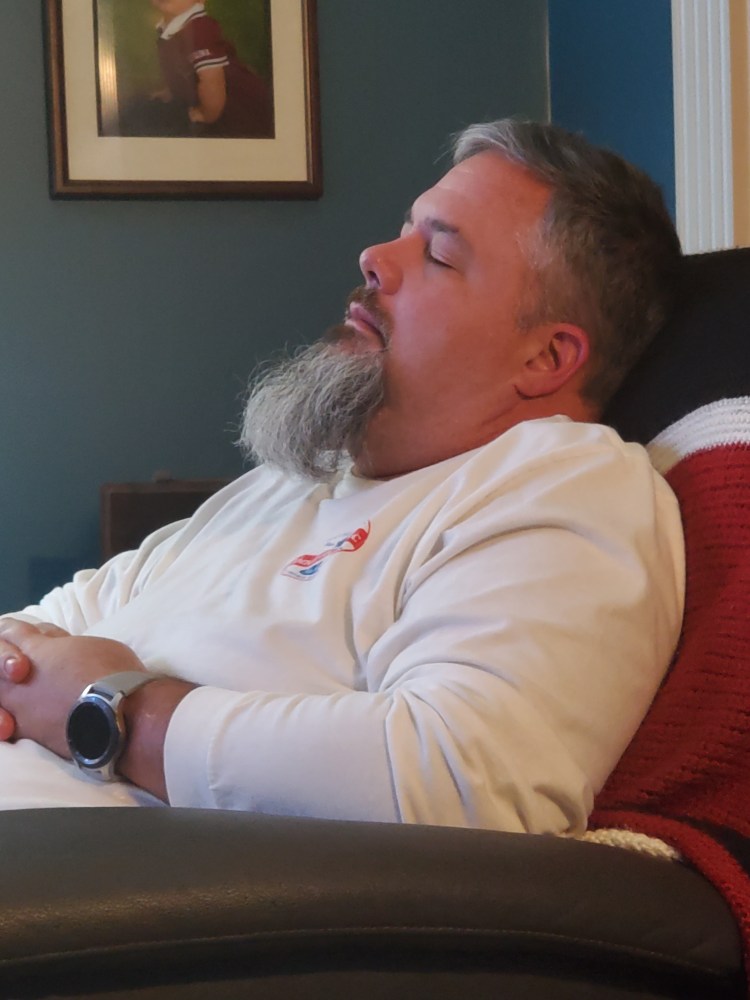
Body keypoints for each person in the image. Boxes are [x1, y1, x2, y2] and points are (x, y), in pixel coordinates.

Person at [0, 119, 684, 831]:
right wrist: (26, 674)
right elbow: (52, 623)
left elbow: (463, 781)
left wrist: (113, 712)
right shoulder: (299, 479)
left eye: (439, 255)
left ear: (546, 358)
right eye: (404, 230)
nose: (374, 258)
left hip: (87, 892)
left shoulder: (567, 486)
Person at [148, 0, 273, 138]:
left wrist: (206, 114)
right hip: (209, 95)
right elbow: (179, 66)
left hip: (233, 101)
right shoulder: (169, 28)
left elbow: (212, 81)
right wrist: (173, 89)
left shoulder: (200, 29)